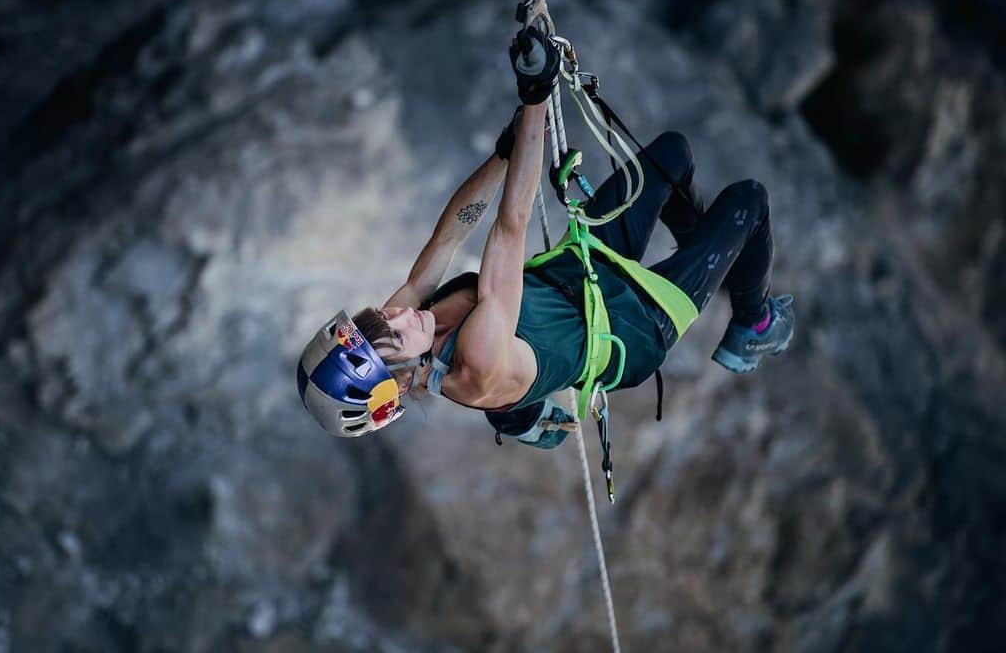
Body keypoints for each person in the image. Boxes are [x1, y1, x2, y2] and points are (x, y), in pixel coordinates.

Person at [296, 27, 794, 445]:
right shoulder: (477, 362)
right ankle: (754, 325)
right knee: (748, 202)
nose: (400, 313)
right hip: (630, 325)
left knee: (671, 155)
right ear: (398, 382)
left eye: (382, 317)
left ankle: (520, 410)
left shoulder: (408, 331)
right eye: (393, 332)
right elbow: (510, 229)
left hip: (577, 274)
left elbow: (447, 237)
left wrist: (503, 153)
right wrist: (535, 98)